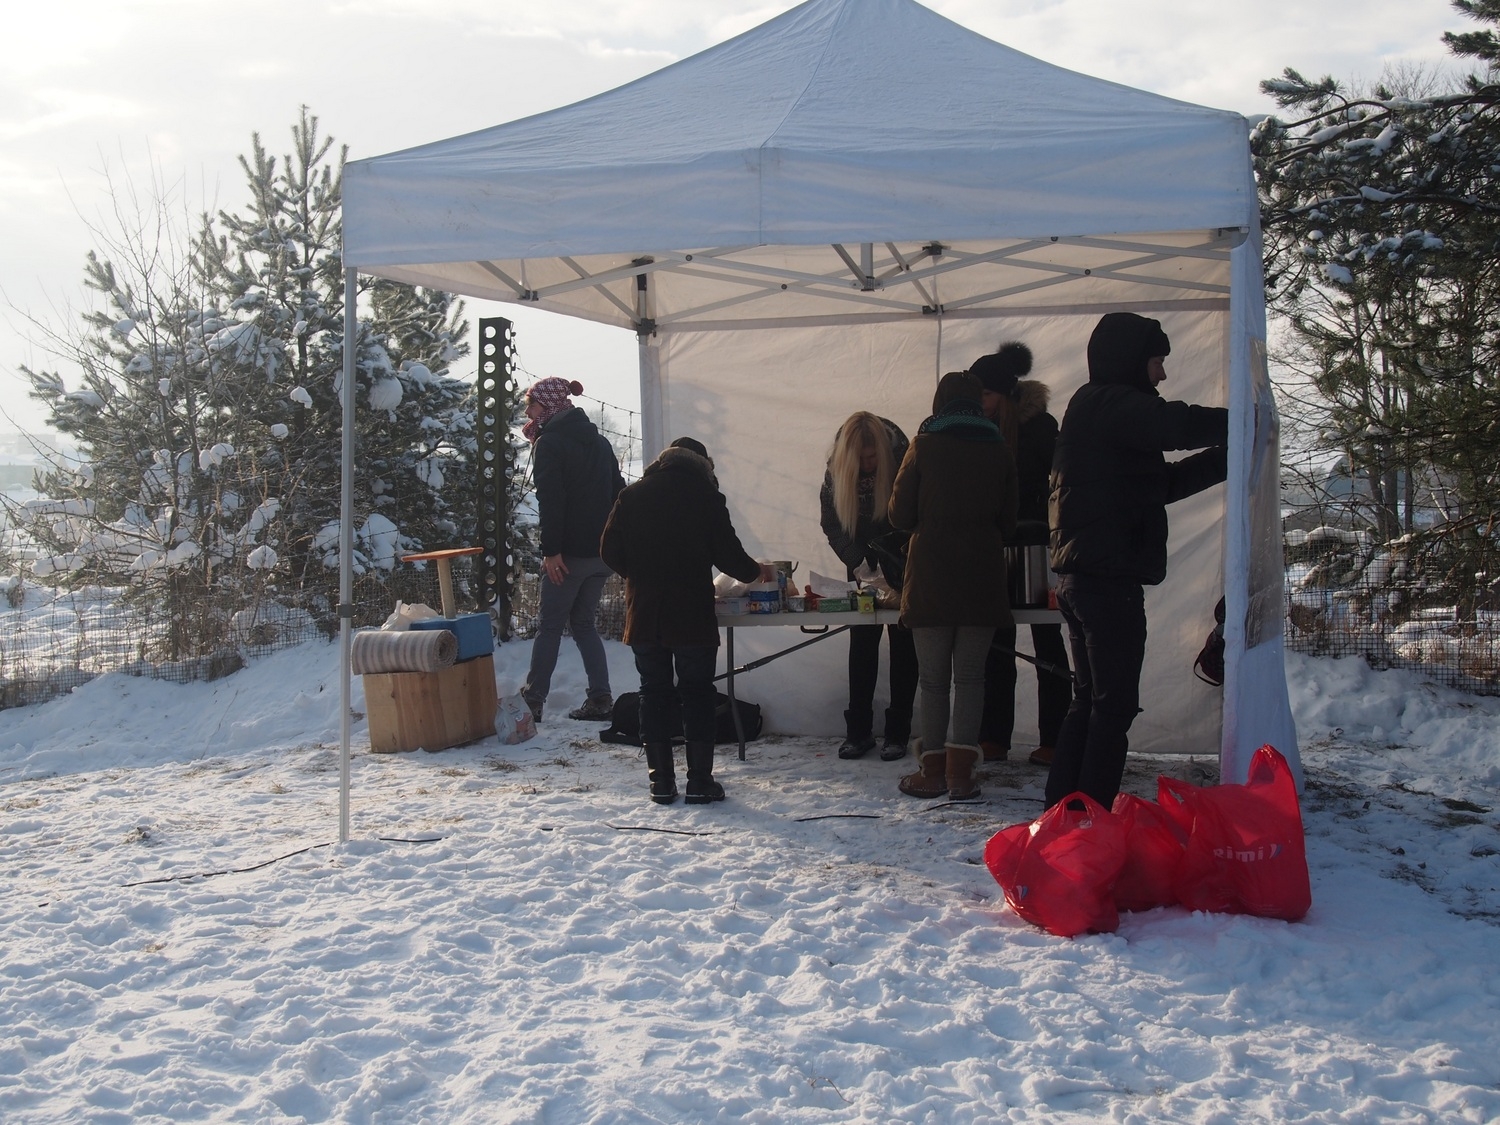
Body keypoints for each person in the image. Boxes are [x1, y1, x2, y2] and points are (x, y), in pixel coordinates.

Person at [1046, 312, 1228, 809]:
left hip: (1086, 578)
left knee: (1091, 701)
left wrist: (1225, 456)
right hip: (1105, 581)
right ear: (1130, 362)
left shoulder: (1101, 413)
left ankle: (1065, 813)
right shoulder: (1108, 404)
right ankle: (1087, 816)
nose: (1163, 375)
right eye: (1156, 362)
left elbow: (1160, 485)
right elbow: (1175, 424)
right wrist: (1241, 422)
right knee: (1113, 706)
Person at [600, 437, 772, 805]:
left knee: (653, 693)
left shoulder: (632, 495)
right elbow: (732, 559)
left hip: (645, 614)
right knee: (697, 694)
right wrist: (760, 573)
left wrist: (640, 576)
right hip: (691, 616)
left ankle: (660, 783)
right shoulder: (706, 497)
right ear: (703, 464)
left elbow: (609, 550)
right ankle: (699, 782)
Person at [888, 371, 1018, 801]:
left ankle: (932, 773)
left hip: (931, 578)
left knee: (933, 681)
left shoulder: (923, 445)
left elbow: (899, 516)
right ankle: (962, 777)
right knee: (971, 678)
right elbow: (1010, 521)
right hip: (982, 577)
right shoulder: (999, 449)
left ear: (939, 402)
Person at [970, 343, 1073, 767]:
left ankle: (1054, 736)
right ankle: (994, 736)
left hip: (1037, 548)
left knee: (1048, 640)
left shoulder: (1041, 426)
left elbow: (1057, 489)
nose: (981, 404)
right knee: (997, 642)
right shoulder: (975, 427)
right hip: (993, 548)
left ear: (1007, 396)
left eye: (987, 396)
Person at [519, 377, 626, 723]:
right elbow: (619, 494)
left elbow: (551, 499)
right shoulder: (600, 442)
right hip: (601, 555)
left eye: (532, 405)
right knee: (583, 624)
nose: (528, 412)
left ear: (549, 406)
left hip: (568, 556)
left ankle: (533, 701)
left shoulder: (549, 443)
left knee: (550, 626)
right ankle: (600, 698)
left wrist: (552, 551)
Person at [819, 412, 919, 761]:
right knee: (861, 644)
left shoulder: (905, 458)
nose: (867, 465)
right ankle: (858, 731)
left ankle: (898, 732)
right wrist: (858, 561)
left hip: (904, 563)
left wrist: (897, 561)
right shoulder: (835, 471)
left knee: (905, 645)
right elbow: (832, 524)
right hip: (862, 569)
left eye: (873, 457)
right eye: (860, 460)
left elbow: (915, 515)